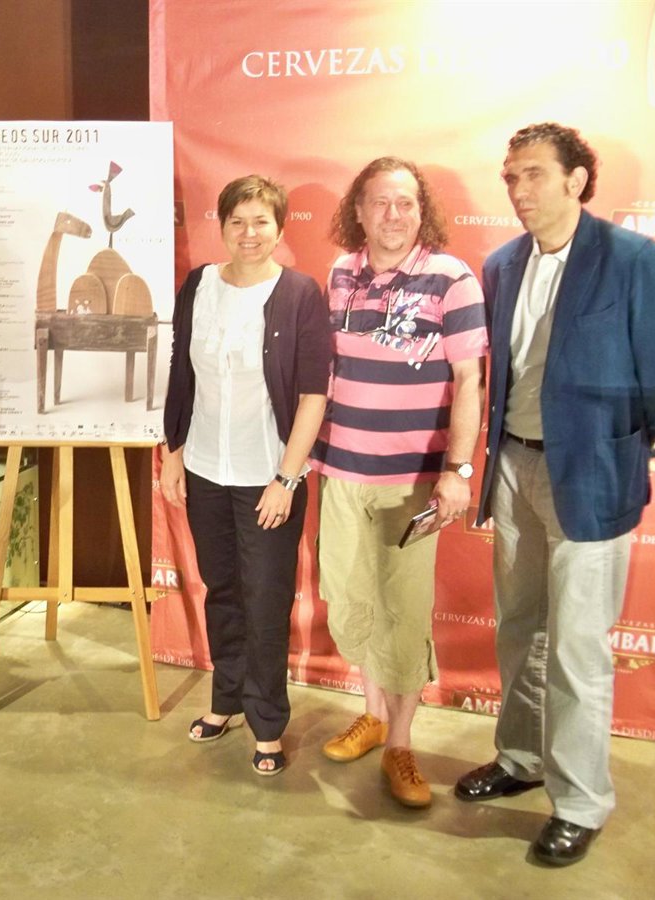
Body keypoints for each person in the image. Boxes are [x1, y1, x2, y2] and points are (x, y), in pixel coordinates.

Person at [454, 123, 655, 866]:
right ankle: (521, 758)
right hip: (513, 465)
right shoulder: (502, 264)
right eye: (511, 176)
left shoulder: (634, 258)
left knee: (576, 646)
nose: (519, 189)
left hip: (593, 477)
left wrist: (630, 449)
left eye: (535, 174)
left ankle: (579, 802)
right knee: (520, 627)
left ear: (577, 180)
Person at [311, 157, 487, 807]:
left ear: (422, 211)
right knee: (350, 598)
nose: (393, 214)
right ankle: (373, 713)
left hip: (412, 482)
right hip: (340, 472)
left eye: (406, 202)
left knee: (403, 610)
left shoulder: (451, 278)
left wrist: (458, 472)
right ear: (358, 211)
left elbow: (469, 381)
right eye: (380, 202)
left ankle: (401, 743)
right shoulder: (340, 274)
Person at [161, 175, 331, 776]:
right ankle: (226, 699)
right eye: (237, 221)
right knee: (223, 590)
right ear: (223, 226)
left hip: (268, 476)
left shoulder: (299, 293)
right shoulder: (198, 285)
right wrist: (173, 452)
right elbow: (181, 373)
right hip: (206, 468)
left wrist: (287, 479)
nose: (249, 233)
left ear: (280, 229)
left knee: (265, 599)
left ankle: (266, 722)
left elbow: (313, 394)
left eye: (261, 221)